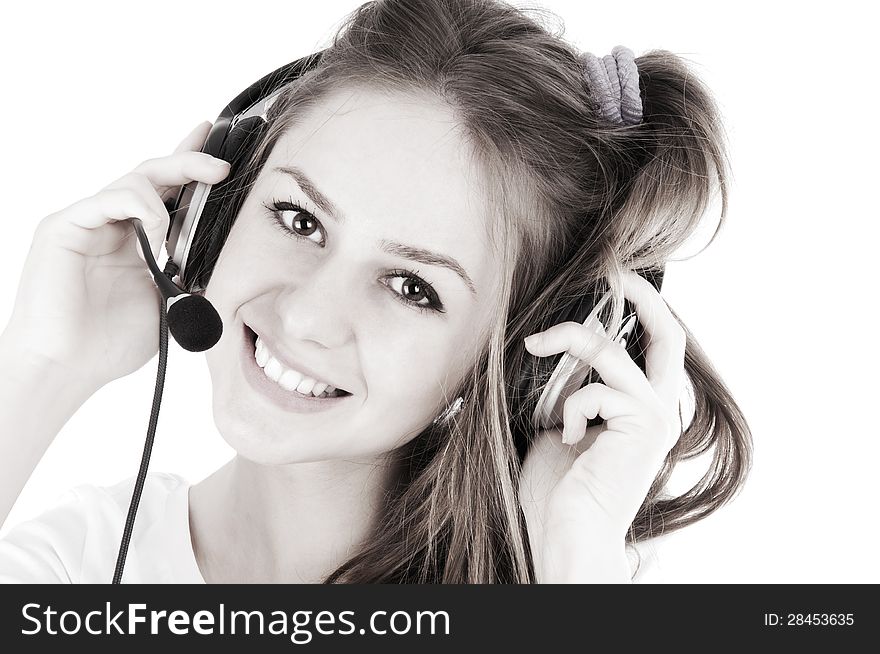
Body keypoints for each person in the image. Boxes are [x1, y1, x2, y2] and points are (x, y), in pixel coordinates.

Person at [0, 0, 751, 583]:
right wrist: (43, 367)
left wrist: (570, 566)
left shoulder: (574, 589)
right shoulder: (80, 564)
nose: (307, 314)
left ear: (531, 364)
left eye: (411, 286)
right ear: (208, 213)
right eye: (298, 219)